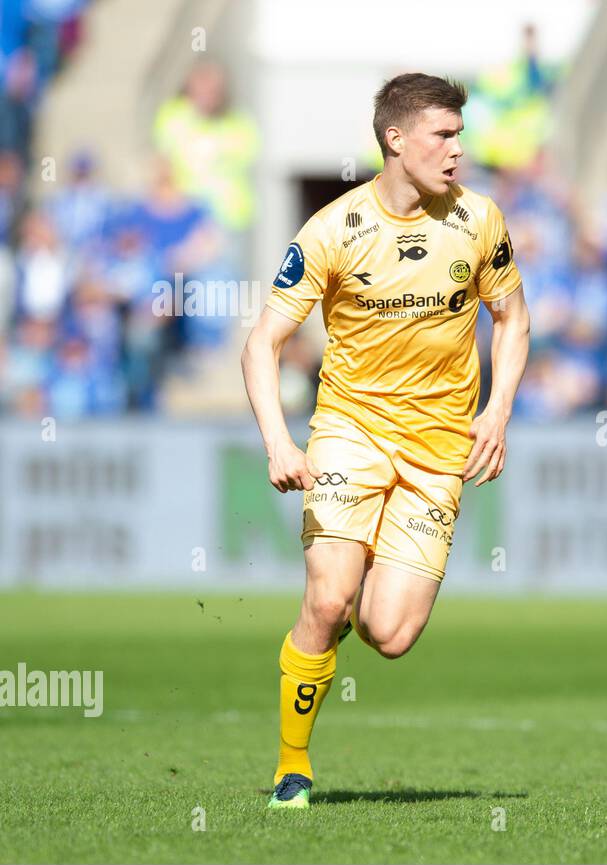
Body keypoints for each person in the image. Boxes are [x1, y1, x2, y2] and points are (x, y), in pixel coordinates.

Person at [241, 73, 531, 807]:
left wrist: (496, 412)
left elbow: (514, 319)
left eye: (460, 135)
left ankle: (338, 610)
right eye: (443, 134)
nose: (458, 150)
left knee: (390, 632)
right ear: (395, 140)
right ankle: (292, 769)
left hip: (437, 452)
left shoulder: (479, 219)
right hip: (350, 432)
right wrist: (279, 440)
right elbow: (262, 343)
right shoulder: (333, 229)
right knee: (329, 595)